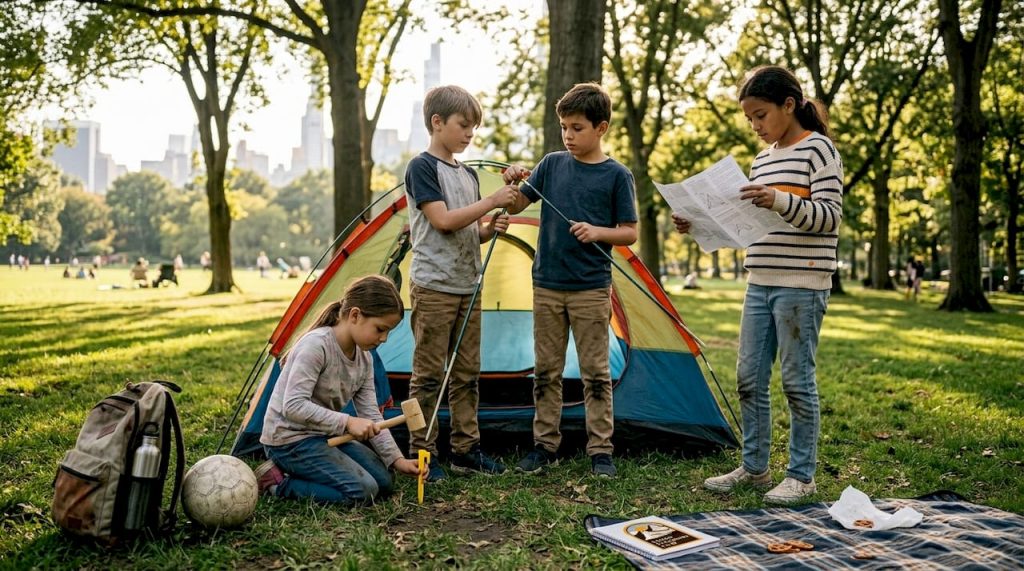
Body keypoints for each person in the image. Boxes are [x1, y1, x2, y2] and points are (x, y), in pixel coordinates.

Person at [672, 66, 843, 504]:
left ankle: (802, 475)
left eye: (761, 115)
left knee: (796, 380)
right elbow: (748, 226)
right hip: (759, 279)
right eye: (749, 118)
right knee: (748, 377)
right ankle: (754, 468)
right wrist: (698, 225)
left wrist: (780, 200)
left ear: (790, 105)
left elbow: (828, 217)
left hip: (801, 281)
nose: (755, 126)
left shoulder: (819, 150)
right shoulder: (762, 160)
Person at [502, 82, 638, 478]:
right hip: (546, 284)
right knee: (546, 370)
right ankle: (545, 444)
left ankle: (601, 450)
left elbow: (629, 232)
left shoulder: (617, 175)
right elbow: (518, 202)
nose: (568, 135)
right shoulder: (551, 165)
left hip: (591, 289)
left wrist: (598, 232)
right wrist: (512, 180)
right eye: (564, 127)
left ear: (602, 128)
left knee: (596, 372)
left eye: (577, 127)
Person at [403, 84, 518, 481]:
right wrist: (490, 202)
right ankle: (423, 452)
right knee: (429, 374)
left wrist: (490, 228)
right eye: (463, 125)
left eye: (474, 127)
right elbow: (443, 221)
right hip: (434, 286)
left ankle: (465, 450)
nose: (470, 134)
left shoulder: (468, 174)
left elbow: (468, 231)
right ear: (437, 123)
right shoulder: (422, 168)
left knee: (468, 373)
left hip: (469, 285)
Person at [255, 275, 423, 503]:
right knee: (363, 491)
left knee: (384, 482)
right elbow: (293, 406)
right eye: (380, 329)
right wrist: (347, 423)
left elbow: (371, 414)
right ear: (355, 315)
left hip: (324, 436)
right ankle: (278, 483)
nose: (384, 339)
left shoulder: (365, 358)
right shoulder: (316, 346)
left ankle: (311, 471)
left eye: (388, 332)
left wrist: (397, 459)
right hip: (289, 440)